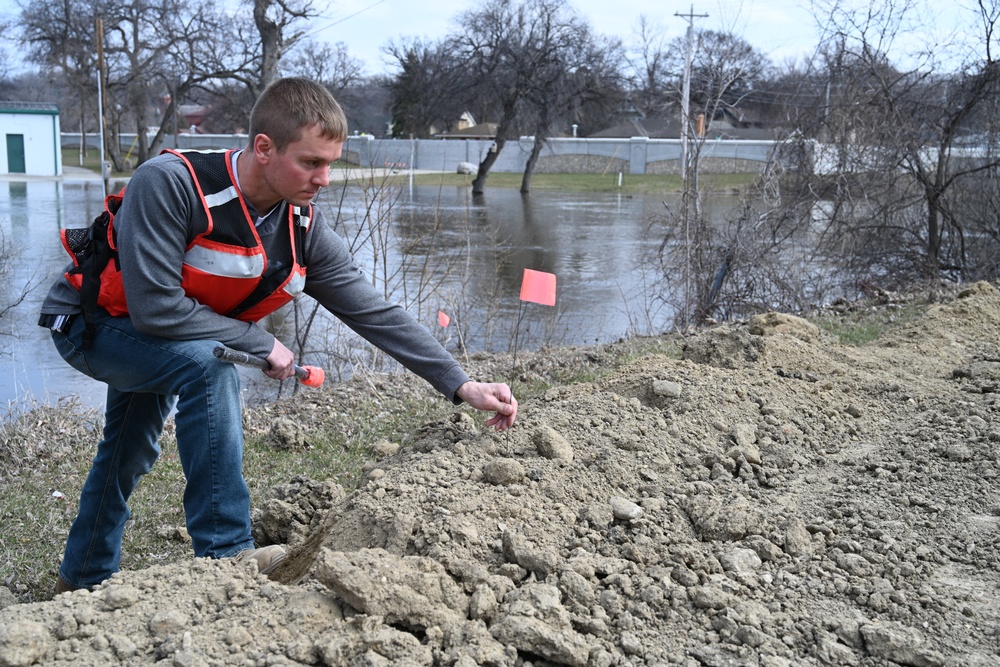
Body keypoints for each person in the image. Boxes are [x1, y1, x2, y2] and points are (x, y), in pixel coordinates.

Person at [38, 77, 518, 593]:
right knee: (209, 368)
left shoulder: (301, 226)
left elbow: (373, 310)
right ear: (264, 148)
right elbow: (155, 307)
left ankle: (82, 577)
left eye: (331, 163)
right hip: (94, 327)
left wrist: (460, 383)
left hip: (164, 342)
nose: (325, 178)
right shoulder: (171, 183)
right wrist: (260, 341)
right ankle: (226, 561)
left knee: (129, 447)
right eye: (311, 162)